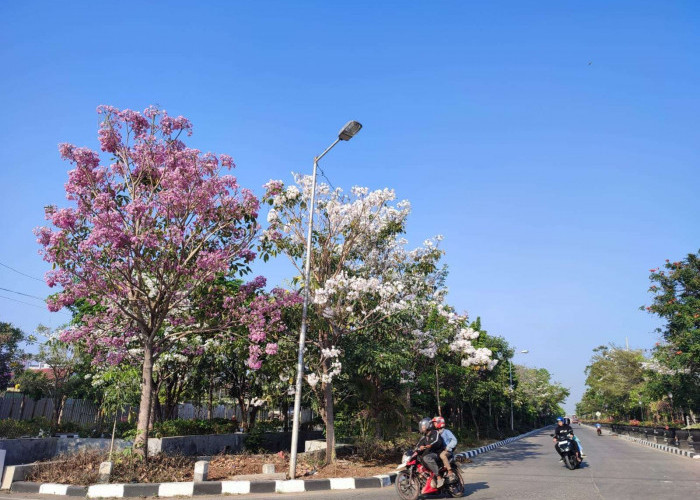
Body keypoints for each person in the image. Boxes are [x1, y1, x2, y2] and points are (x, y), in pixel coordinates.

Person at [416, 417, 445, 492]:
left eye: (423, 426)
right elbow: (418, 446)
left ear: (428, 425)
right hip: (429, 455)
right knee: (419, 459)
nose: (422, 427)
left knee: (426, 458)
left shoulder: (435, 433)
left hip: (437, 454)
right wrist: (419, 448)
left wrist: (430, 445)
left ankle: (438, 477)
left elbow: (436, 441)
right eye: (421, 426)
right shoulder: (424, 437)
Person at [432, 416, 458, 481]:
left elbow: (454, 440)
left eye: (435, 423)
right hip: (439, 451)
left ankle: (450, 471)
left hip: (447, 451)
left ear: (439, 423)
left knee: (442, 455)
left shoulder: (446, 432)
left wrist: (448, 447)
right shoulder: (436, 433)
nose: (434, 424)